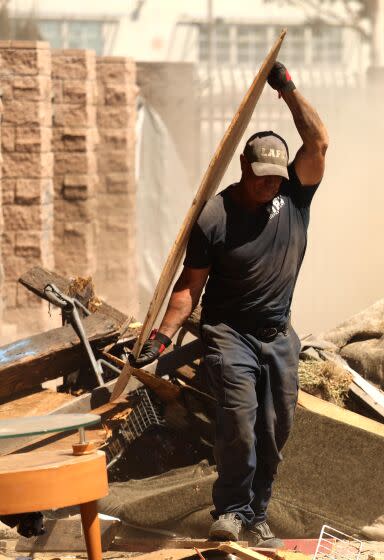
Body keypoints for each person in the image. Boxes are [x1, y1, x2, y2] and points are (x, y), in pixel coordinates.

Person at [130, 62, 328, 543]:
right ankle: (233, 511)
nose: (270, 185)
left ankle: (257, 513)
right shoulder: (214, 218)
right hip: (229, 334)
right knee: (239, 423)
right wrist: (161, 335)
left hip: (278, 335)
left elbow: (318, 141)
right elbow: (189, 287)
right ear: (244, 168)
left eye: (276, 177)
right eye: (261, 177)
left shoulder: (294, 198)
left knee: (276, 430)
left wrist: (287, 89)